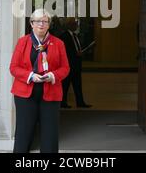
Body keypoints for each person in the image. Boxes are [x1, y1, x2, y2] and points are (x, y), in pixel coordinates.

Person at [10, 9, 70, 153]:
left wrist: (53, 75)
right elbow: (13, 67)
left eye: (45, 21)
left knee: (50, 135)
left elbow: (65, 68)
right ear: (31, 24)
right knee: (23, 134)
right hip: (25, 94)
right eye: (38, 21)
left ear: (49, 25)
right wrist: (30, 75)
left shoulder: (59, 43)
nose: (41, 25)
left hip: (51, 92)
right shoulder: (23, 42)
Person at [60, 17, 92, 108]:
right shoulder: (64, 36)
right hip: (69, 65)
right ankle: (63, 102)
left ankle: (80, 102)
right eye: (75, 23)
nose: (76, 25)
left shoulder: (75, 36)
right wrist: (75, 53)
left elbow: (76, 47)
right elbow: (64, 51)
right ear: (69, 25)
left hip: (76, 65)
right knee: (65, 85)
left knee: (77, 85)